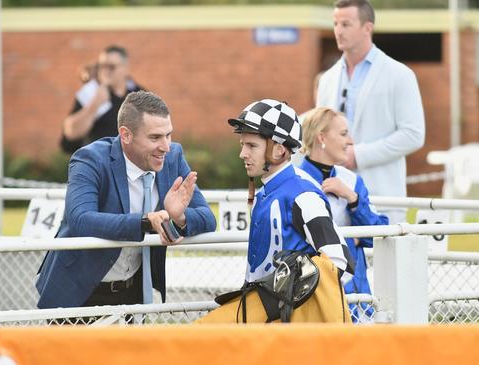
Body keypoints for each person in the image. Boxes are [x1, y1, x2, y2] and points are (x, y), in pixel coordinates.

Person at [36, 91, 216, 309]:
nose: (166, 146)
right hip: (79, 290)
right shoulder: (90, 158)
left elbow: (208, 218)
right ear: (126, 135)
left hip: (134, 292)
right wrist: (145, 221)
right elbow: (80, 219)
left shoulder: (173, 156)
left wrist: (178, 217)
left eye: (168, 135)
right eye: (155, 137)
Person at [197, 99, 355, 323]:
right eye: (243, 144)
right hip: (262, 318)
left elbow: (341, 262)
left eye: (251, 146)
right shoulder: (265, 192)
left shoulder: (303, 195)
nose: (242, 153)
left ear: (279, 150)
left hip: (286, 327)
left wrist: (287, 298)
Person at [317, 0, 425, 223]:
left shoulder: (400, 75)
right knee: (335, 260)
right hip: (334, 199)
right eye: (335, 23)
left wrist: (358, 155)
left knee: (383, 259)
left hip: (382, 199)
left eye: (346, 24)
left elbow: (413, 135)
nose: (338, 30)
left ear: (368, 27)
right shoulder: (327, 79)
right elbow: (319, 134)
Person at [299, 107, 388, 322]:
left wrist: (352, 198)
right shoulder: (296, 181)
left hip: (357, 297)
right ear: (321, 137)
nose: (350, 141)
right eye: (343, 134)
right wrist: (350, 239)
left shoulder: (351, 181)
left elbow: (379, 233)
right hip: (312, 296)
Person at [60, 45, 142, 154]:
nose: (105, 71)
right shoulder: (91, 92)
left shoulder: (139, 95)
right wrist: (95, 104)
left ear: (125, 68)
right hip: (98, 163)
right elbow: (70, 135)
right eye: (102, 66)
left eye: (111, 67)